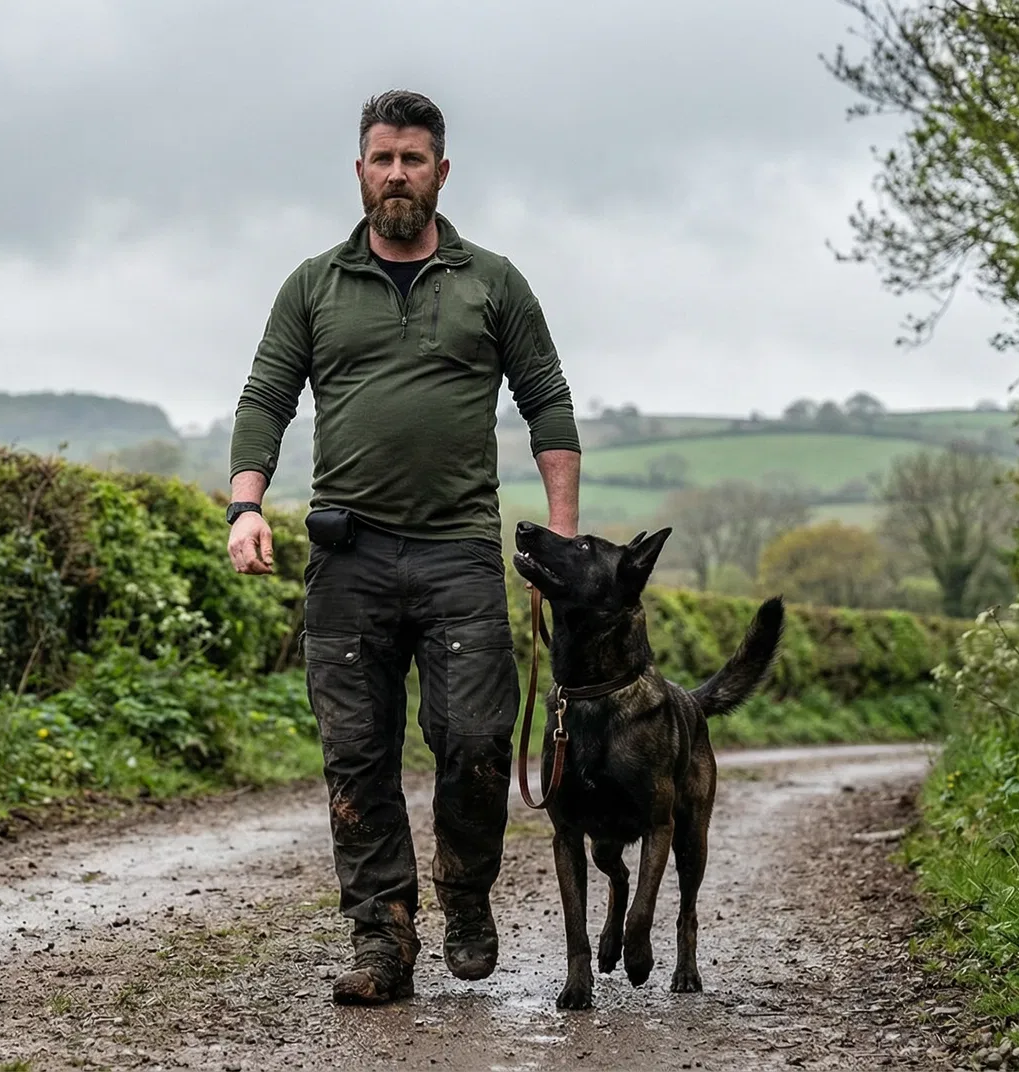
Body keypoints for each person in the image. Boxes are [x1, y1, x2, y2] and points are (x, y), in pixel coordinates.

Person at [224, 89, 581, 1005]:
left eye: (412, 160)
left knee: (474, 740)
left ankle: (465, 896)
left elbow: (548, 402)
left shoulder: (493, 281)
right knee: (357, 755)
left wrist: (565, 542)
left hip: (460, 553)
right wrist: (246, 504)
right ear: (359, 171)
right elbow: (266, 396)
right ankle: (381, 939)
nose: (396, 174)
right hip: (348, 560)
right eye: (381, 159)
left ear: (441, 172)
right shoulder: (312, 285)